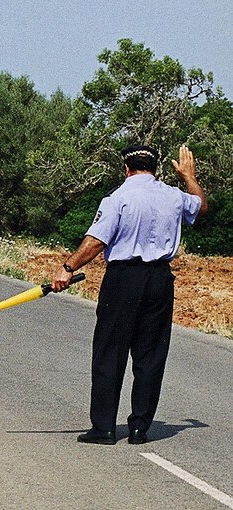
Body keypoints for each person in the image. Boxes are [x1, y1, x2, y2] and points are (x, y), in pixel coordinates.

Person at [52, 144, 207, 446]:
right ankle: (139, 428)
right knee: (150, 354)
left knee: (110, 351)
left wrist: (68, 267)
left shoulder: (117, 198)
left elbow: (96, 241)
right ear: (156, 168)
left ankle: (104, 428)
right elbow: (200, 206)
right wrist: (189, 177)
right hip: (160, 279)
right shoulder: (173, 196)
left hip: (123, 279)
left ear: (126, 168)